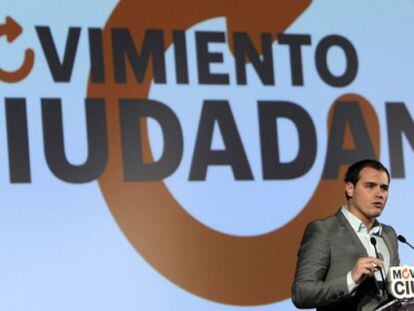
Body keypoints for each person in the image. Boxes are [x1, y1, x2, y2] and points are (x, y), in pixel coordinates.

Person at [291, 159, 400, 311]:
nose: (379, 194)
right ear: (350, 189)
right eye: (370, 186)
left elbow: (393, 296)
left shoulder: (389, 234)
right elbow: (301, 294)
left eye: (384, 188)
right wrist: (351, 279)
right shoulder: (323, 230)